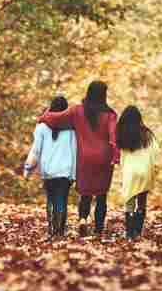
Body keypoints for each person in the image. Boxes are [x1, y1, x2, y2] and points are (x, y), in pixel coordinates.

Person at [39, 81, 117, 236]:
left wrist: (43, 117)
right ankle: (99, 229)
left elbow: (56, 119)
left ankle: (83, 219)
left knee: (85, 194)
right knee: (101, 195)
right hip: (104, 159)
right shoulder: (110, 115)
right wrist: (116, 155)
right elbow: (114, 137)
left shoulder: (77, 111)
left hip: (84, 159)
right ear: (104, 95)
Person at [24, 96, 77, 239]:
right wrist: (74, 173)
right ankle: (59, 231)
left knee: (51, 199)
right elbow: (75, 151)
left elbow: (36, 150)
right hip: (65, 170)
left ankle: (52, 229)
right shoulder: (72, 129)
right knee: (62, 199)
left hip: (48, 170)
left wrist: (28, 169)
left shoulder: (41, 126)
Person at [116, 106, 159, 240]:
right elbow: (155, 152)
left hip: (130, 172)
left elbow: (121, 156)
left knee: (129, 202)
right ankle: (138, 231)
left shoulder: (122, 135)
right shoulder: (147, 134)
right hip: (144, 171)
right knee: (141, 201)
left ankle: (129, 233)